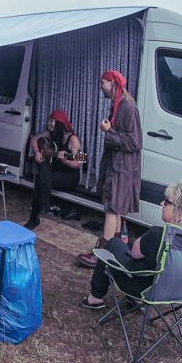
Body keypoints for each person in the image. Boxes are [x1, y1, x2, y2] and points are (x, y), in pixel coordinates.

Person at [80, 179, 182, 309]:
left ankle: (95, 298)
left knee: (113, 243)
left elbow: (134, 254)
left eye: (167, 202)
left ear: (180, 214)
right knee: (135, 244)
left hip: (145, 290)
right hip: (181, 291)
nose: (162, 203)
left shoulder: (158, 234)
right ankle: (132, 302)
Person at [77, 70, 142, 268]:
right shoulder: (118, 104)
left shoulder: (127, 106)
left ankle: (102, 254)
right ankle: (117, 249)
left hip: (123, 167)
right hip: (117, 164)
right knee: (116, 208)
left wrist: (109, 132)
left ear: (113, 83)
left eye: (102, 82)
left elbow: (135, 142)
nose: (100, 86)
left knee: (112, 208)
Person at [23, 109, 84, 230]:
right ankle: (43, 208)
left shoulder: (73, 139)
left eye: (52, 121)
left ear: (59, 123)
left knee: (40, 180)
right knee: (43, 169)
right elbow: (34, 139)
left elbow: (79, 163)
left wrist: (65, 160)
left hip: (70, 177)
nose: (49, 123)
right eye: (49, 121)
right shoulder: (51, 134)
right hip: (55, 173)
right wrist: (37, 152)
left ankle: (35, 216)